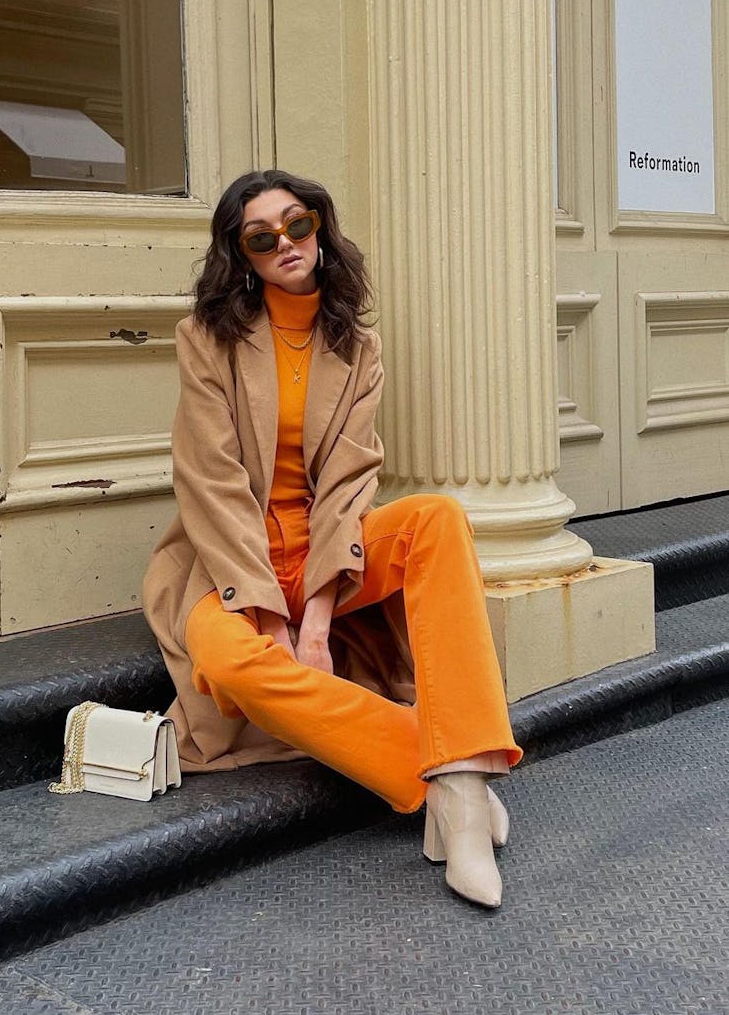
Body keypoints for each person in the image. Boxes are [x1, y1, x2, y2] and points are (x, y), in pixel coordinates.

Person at [143, 169, 522, 908]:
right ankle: (453, 776)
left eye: (299, 223)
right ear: (241, 256)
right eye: (261, 236)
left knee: (436, 519)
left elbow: (350, 479)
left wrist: (316, 617)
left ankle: (461, 794)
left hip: (327, 550)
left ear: (320, 229)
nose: (285, 242)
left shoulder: (359, 347)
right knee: (228, 659)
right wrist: (266, 611)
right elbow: (211, 482)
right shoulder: (206, 339)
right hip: (233, 555)